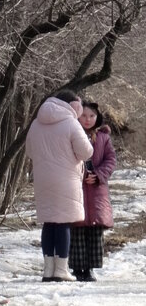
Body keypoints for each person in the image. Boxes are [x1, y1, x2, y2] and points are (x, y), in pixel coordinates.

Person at [25, 89, 93, 282]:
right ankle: (61, 269)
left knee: (49, 222)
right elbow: (86, 152)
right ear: (73, 106)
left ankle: (48, 270)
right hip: (66, 178)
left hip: (43, 178)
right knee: (63, 221)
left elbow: (29, 150)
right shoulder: (71, 123)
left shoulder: (36, 123)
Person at [69, 101, 116, 282]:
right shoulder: (71, 134)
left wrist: (98, 176)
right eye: (84, 116)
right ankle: (76, 268)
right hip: (76, 188)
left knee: (94, 231)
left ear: (97, 118)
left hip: (97, 192)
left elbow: (110, 160)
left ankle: (89, 269)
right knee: (77, 230)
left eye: (92, 116)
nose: (87, 120)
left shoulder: (103, 138)